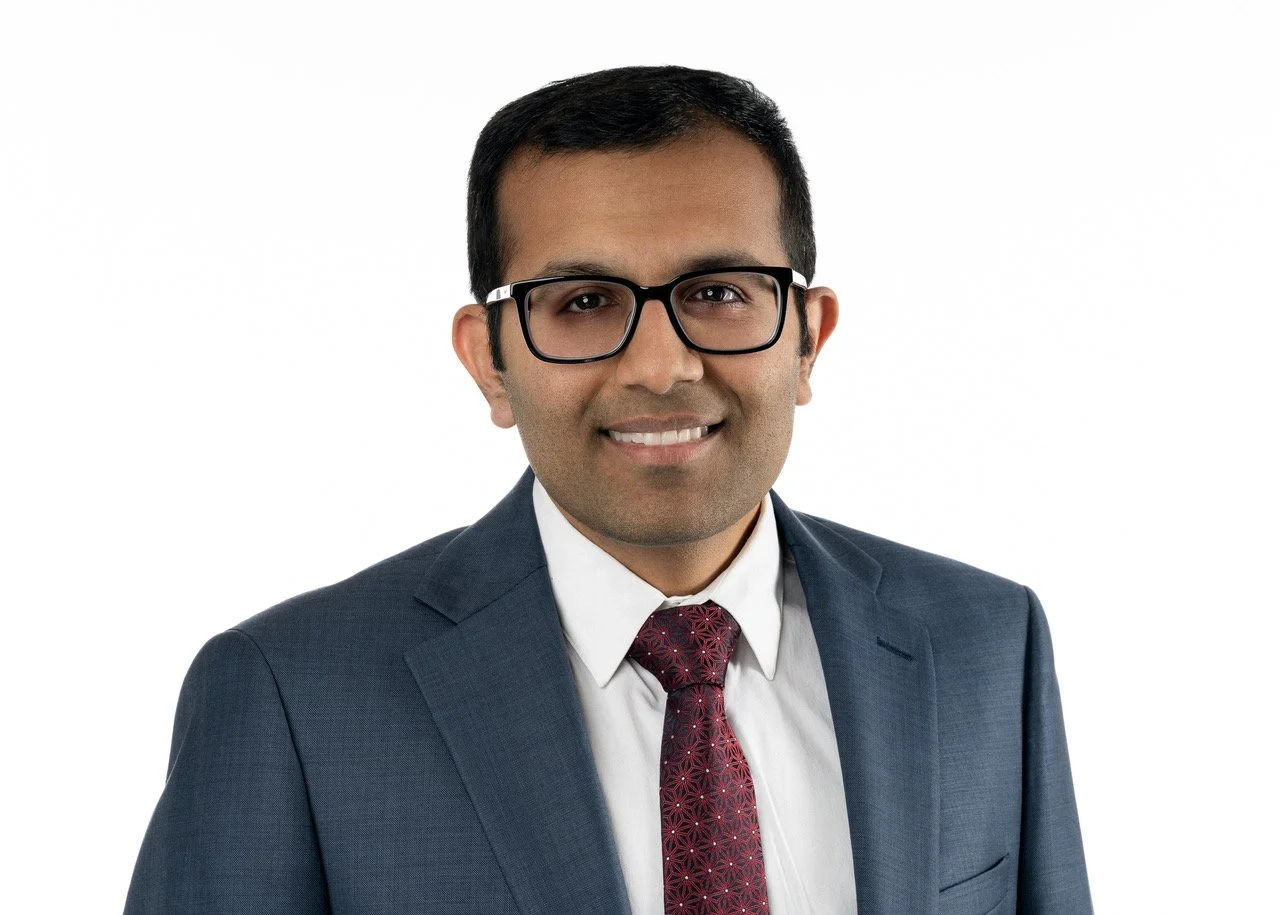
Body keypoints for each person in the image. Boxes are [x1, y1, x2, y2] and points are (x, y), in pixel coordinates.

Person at [125, 66, 1092, 915]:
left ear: (808, 337)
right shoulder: (292, 699)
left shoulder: (982, 644)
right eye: (584, 303)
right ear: (490, 362)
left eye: (718, 291)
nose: (661, 366)